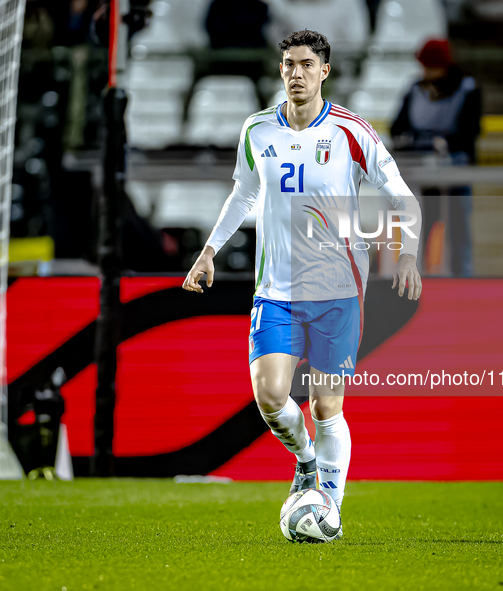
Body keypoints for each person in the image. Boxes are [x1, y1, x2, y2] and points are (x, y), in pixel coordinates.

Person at [183, 30, 422, 532]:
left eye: (307, 65)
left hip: (338, 293)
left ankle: (329, 506)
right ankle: (308, 463)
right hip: (276, 291)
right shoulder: (257, 130)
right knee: (270, 397)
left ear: (325, 71)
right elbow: (242, 197)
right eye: (289, 64)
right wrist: (208, 252)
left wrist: (407, 257)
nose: (296, 73)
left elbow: (403, 197)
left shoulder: (351, 133)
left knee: (325, 403)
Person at [390, 38, 481, 277]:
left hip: (456, 168)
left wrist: (444, 142)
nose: (427, 72)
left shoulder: (468, 88)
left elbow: (470, 131)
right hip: (423, 168)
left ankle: (463, 277)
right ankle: (418, 274)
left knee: (458, 224)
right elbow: (397, 127)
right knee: (422, 223)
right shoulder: (415, 89)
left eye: (432, 66)